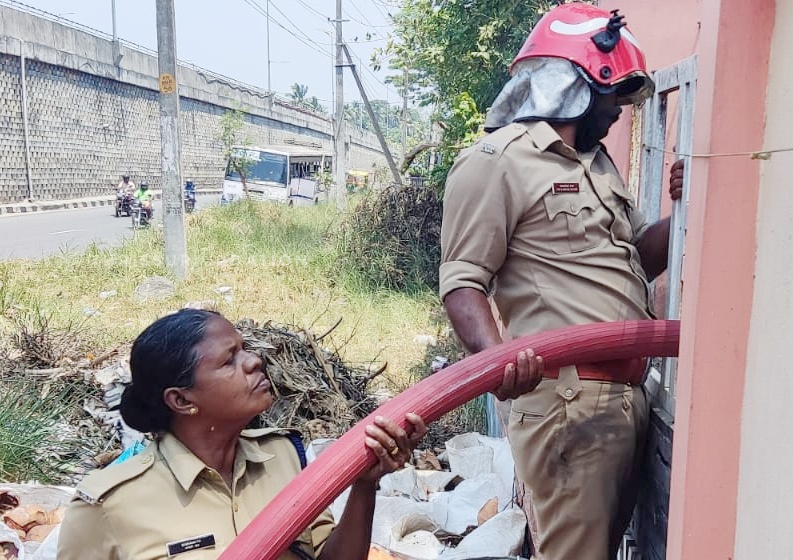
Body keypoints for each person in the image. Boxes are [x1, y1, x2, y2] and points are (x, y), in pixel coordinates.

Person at [439, 4, 682, 560]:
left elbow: (638, 258)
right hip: (567, 401)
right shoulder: (496, 162)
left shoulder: (595, 165)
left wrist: (688, 203)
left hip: (621, 399)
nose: (619, 110)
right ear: (571, 83)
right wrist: (495, 363)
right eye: (611, 93)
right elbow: (461, 279)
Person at [57, 309, 428, 560]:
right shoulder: (108, 505)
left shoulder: (284, 457)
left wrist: (365, 485)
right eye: (228, 360)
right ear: (182, 400)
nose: (253, 361)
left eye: (245, 349)